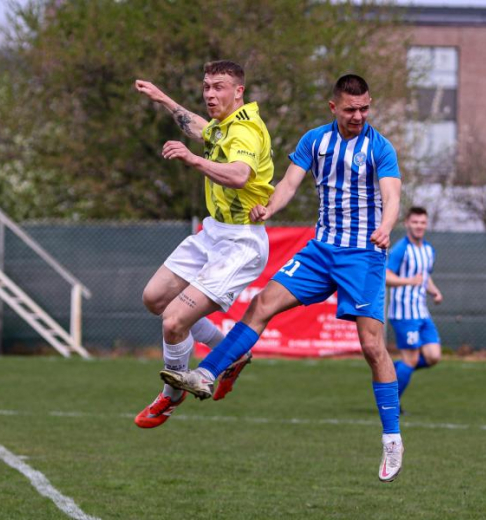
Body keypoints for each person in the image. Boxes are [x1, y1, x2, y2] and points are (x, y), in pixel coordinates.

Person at [161, 74, 405, 482]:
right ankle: (206, 373)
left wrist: (386, 226)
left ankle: (392, 438)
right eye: (350, 109)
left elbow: (392, 195)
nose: (358, 116)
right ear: (334, 108)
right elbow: (289, 183)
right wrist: (270, 208)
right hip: (320, 251)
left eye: (364, 108)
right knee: (260, 306)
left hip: (364, 255)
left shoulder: (380, 148)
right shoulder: (315, 141)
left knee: (371, 346)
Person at [132, 60, 274, 428]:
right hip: (213, 232)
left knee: (174, 321)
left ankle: (171, 395)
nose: (211, 94)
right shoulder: (222, 126)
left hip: (241, 242)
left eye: (220, 87)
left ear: (239, 91)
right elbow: (200, 128)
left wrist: (192, 159)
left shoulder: (244, 131)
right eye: (207, 86)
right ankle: (232, 355)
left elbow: (240, 175)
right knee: (155, 298)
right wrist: (163, 98)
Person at [385, 206, 443, 408]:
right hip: (404, 313)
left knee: (433, 356)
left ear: (426, 224)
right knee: (410, 360)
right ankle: (390, 402)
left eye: (422, 222)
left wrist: (434, 291)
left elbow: (424, 277)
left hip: (422, 312)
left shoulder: (428, 250)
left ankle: (389, 374)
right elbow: (386, 276)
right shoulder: (401, 248)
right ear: (407, 223)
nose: (419, 226)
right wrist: (408, 281)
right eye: (415, 222)